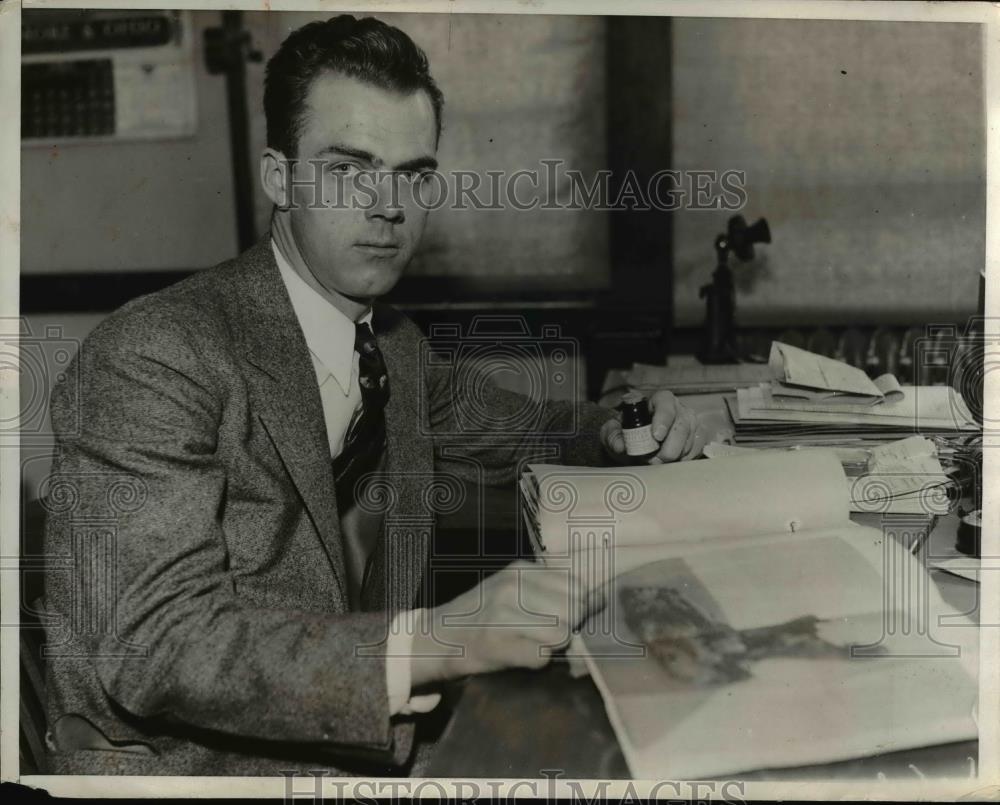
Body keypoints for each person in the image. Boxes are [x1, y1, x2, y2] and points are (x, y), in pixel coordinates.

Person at [41, 14, 706, 776]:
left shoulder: (391, 344)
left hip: (360, 741)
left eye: (414, 173)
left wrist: (618, 429)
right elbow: (158, 642)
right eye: (350, 168)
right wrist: (437, 639)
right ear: (277, 176)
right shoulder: (153, 352)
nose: (389, 205)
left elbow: (524, 431)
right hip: (195, 769)